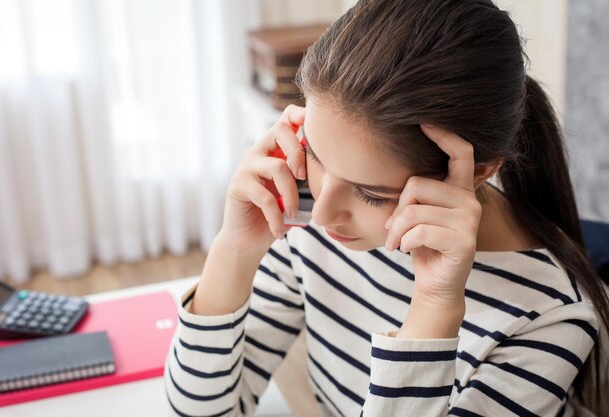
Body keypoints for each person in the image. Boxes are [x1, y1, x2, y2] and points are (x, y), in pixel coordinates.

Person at [165, 0, 609, 416]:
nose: (322, 215)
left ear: (475, 172)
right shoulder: (309, 217)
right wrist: (234, 250)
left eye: (372, 194)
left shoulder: (551, 316)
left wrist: (433, 308)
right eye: (315, 155)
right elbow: (201, 409)